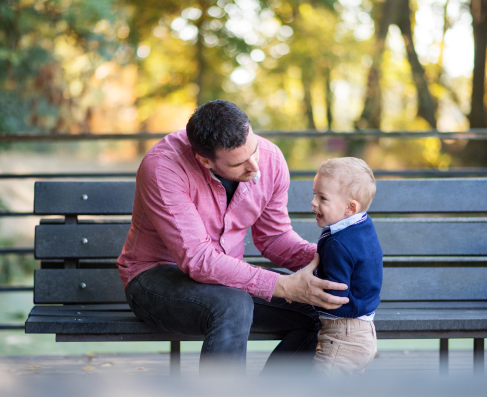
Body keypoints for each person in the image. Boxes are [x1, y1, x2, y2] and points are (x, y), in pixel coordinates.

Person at [116, 100, 349, 373]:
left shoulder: (271, 159)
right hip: (153, 280)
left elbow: (274, 238)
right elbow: (198, 259)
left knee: (318, 310)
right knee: (232, 304)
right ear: (205, 160)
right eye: (240, 163)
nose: (256, 168)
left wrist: (333, 255)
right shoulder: (163, 167)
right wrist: (283, 286)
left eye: (255, 151)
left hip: (227, 282)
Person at [310, 157, 383, 376]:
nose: (313, 202)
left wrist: (303, 292)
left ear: (350, 207)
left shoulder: (338, 244)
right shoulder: (363, 226)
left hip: (341, 336)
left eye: (323, 198)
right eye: (314, 194)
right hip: (364, 332)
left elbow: (334, 295)